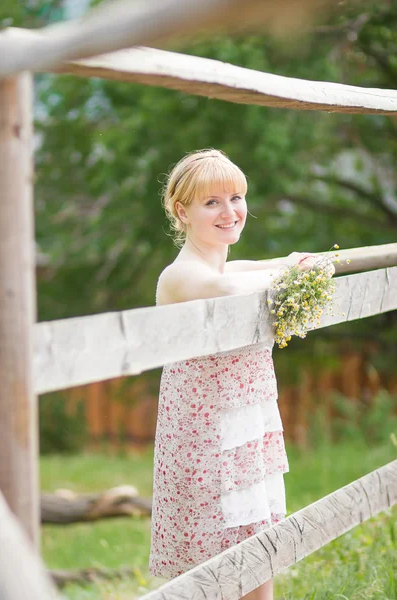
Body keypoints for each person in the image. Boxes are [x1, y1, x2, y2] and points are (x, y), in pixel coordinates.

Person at [149, 148, 328, 600]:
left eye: (236, 197)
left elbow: (243, 270)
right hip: (207, 441)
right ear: (181, 210)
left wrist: (291, 262)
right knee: (219, 569)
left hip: (246, 430)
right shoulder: (181, 276)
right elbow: (228, 288)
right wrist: (292, 274)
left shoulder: (221, 263)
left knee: (257, 555)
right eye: (212, 202)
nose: (230, 212)